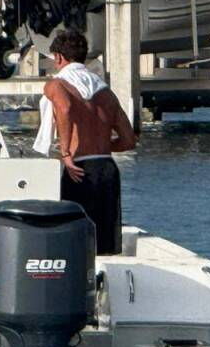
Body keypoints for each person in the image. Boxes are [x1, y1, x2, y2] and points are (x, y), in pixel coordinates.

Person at [33, 29, 136, 256]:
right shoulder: (106, 92)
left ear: (59, 57)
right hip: (107, 168)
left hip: (78, 168)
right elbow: (129, 140)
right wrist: (100, 147)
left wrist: (66, 152)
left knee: (75, 242)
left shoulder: (57, 85)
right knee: (106, 245)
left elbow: (65, 108)